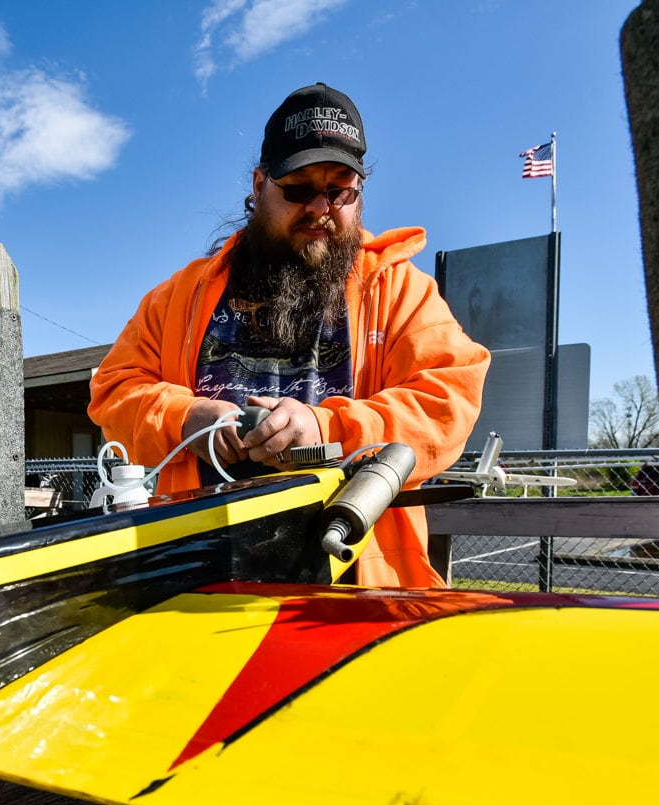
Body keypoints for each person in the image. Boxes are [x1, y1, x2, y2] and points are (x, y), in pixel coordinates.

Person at [88, 82, 490, 588]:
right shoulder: (179, 297)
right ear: (259, 186)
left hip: (358, 583)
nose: (320, 207)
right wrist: (187, 416)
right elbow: (114, 389)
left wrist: (327, 430)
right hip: (199, 579)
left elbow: (449, 399)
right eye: (298, 188)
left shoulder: (402, 292)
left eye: (339, 189)